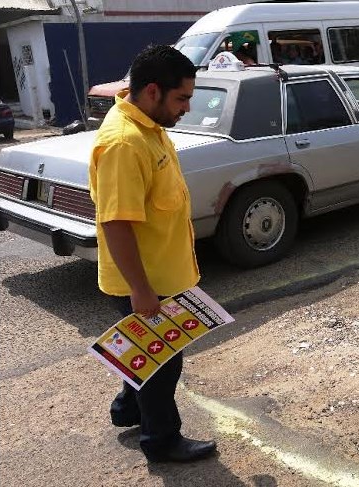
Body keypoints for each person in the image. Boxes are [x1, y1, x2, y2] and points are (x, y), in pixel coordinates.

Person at [89, 44, 217, 463]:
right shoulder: (125, 143)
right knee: (163, 367)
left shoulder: (148, 124)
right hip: (147, 283)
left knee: (146, 352)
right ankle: (161, 441)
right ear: (151, 92)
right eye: (181, 99)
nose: (186, 108)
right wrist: (141, 291)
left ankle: (127, 409)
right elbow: (116, 223)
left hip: (163, 273)